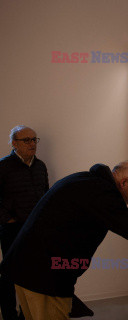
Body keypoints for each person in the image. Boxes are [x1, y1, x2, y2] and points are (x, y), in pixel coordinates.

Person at [0, 161, 128, 320]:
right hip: (41, 276)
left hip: (25, 267)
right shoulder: (102, 193)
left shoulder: (87, 180)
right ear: (124, 182)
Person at [0, 125, 49, 320]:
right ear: (14, 143)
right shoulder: (3, 167)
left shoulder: (40, 166)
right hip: (11, 229)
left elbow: (46, 194)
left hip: (35, 229)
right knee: (9, 275)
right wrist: (7, 219)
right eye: (26, 140)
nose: (32, 144)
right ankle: (9, 315)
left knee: (33, 273)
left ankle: (26, 315)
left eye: (34, 140)